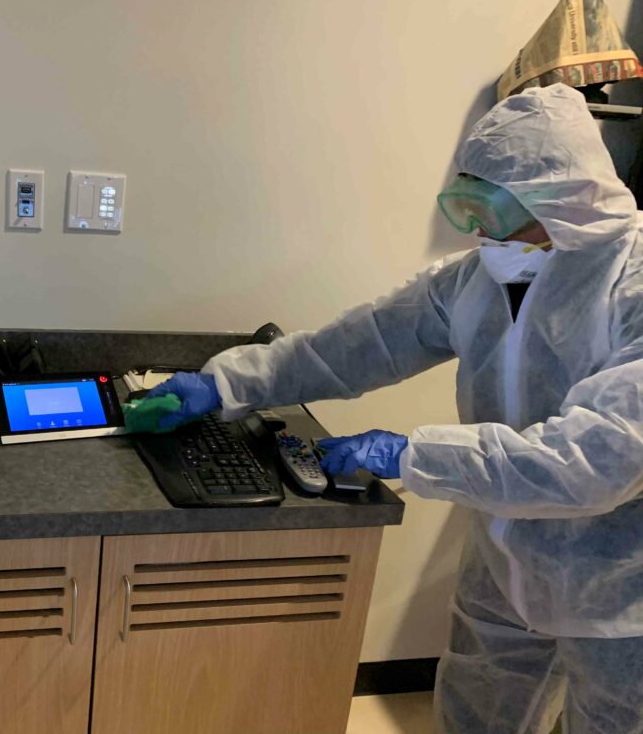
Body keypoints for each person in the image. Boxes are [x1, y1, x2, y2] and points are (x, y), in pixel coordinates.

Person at [147, 84, 643, 734]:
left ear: (565, 198)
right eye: (471, 207)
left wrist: (411, 454)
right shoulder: (480, 279)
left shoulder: (628, 287)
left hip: (619, 589)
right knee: (475, 715)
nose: (481, 233)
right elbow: (357, 346)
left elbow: (594, 461)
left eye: (495, 210)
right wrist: (231, 383)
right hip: (504, 555)